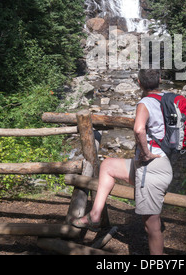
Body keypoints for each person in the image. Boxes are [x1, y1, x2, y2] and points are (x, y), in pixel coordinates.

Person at [71, 69, 173, 255]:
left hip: (151, 169)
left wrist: (145, 153)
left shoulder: (145, 103)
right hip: (161, 163)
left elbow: (139, 129)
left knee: (152, 228)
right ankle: (95, 215)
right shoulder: (168, 99)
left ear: (139, 83)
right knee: (108, 165)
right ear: (159, 80)